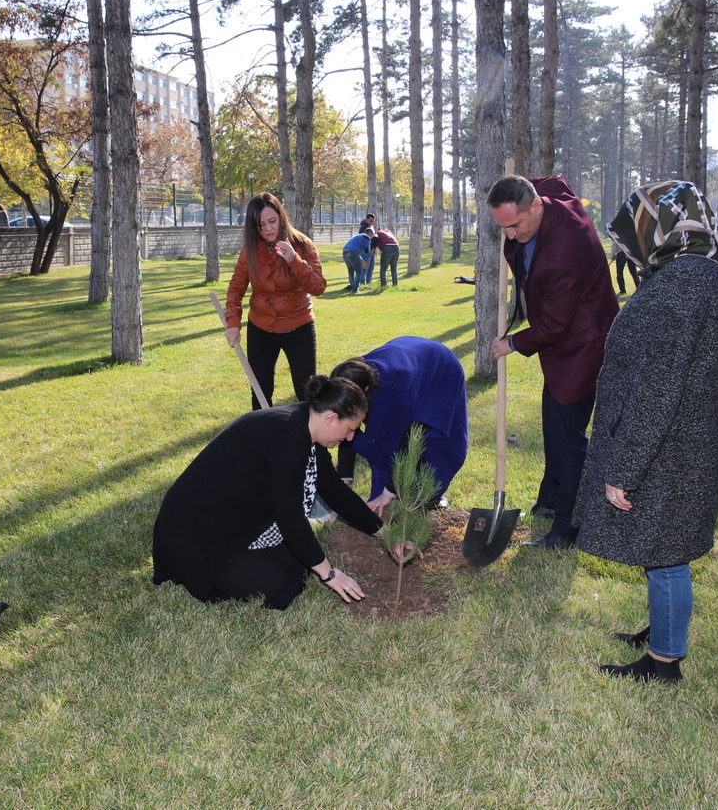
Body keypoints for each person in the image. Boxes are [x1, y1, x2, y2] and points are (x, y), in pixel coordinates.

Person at [573, 180, 718, 684]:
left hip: (670, 444)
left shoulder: (684, 283)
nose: (631, 245)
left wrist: (623, 468)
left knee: (667, 552)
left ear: (662, 225)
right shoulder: (713, 271)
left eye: (637, 230)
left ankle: (664, 662)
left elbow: (659, 386)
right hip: (693, 436)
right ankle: (662, 628)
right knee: (665, 541)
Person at [153, 375, 412, 610]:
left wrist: (386, 534)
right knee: (278, 588)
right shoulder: (286, 437)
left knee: (296, 568)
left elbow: (334, 491)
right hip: (199, 532)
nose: (350, 437)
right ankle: (195, 569)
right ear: (331, 418)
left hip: (235, 519)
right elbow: (289, 515)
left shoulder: (306, 427)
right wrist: (330, 574)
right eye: (350, 428)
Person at [487, 175, 620, 549]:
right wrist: (512, 180)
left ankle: (568, 526)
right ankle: (550, 499)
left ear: (536, 207)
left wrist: (511, 343)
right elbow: (554, 180)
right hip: (574, 337)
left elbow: (554, 326)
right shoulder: (554, 197)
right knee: (555, 426)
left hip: (582, 346)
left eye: (515, 225)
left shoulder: (563, 254)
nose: (510, 235)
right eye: (502, 227)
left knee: (567, 439)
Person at [331, 336, 469, 514]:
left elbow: (413, 435)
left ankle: (427, 497)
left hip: (439, 369)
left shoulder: (399, 391)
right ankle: (387, 498)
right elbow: (348, 425)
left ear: (365, 391)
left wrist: (389, 491)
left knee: (434, 441)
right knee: (380, 438)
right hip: (404, 360)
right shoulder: (350, 376)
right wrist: (344, 475)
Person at [224, 191, 326, 410]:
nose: (268, 228)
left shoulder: (302, 245)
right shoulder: (250, 250)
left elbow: (318, 287)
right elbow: (236, 288)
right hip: (260, 329)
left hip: (298, 327)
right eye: (261, 225)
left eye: (272, 221)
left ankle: (312, 443)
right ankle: (262, 441)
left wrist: (294, 260)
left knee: (306, 392)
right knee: (260, 391)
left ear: (281, 216)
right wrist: (233, 323)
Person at [342, 227, 374, 294]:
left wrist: (362, 261)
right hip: (352, 253)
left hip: (345, 252)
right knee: (359, 272)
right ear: (370, 233)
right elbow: (366, 250)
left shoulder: (357, 236)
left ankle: (353, 287)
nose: (372, 237)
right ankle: (354, 290)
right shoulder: (367, 238)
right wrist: (369, 255)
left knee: (351, 271)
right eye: (372, 235)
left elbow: (354, 251)